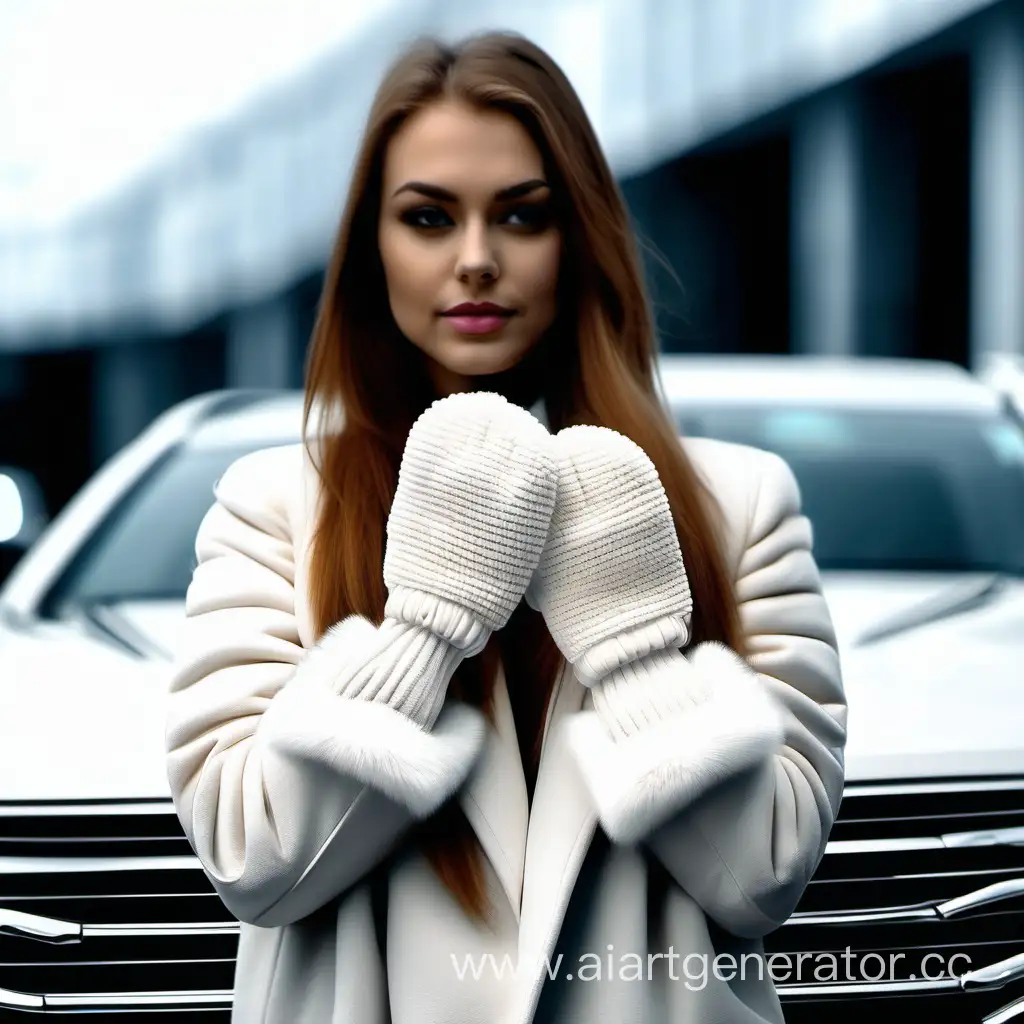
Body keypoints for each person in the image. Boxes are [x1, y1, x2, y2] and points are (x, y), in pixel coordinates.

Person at [165, 30, 847, 1024]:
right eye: (429, 217)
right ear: (372, 250)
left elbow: (762, 877)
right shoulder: (273, 508)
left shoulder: (737, 505)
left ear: (579, 239)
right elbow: (253, 864)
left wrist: (637, 658)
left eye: (522, 216)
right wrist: (425, 630)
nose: (476, 260)